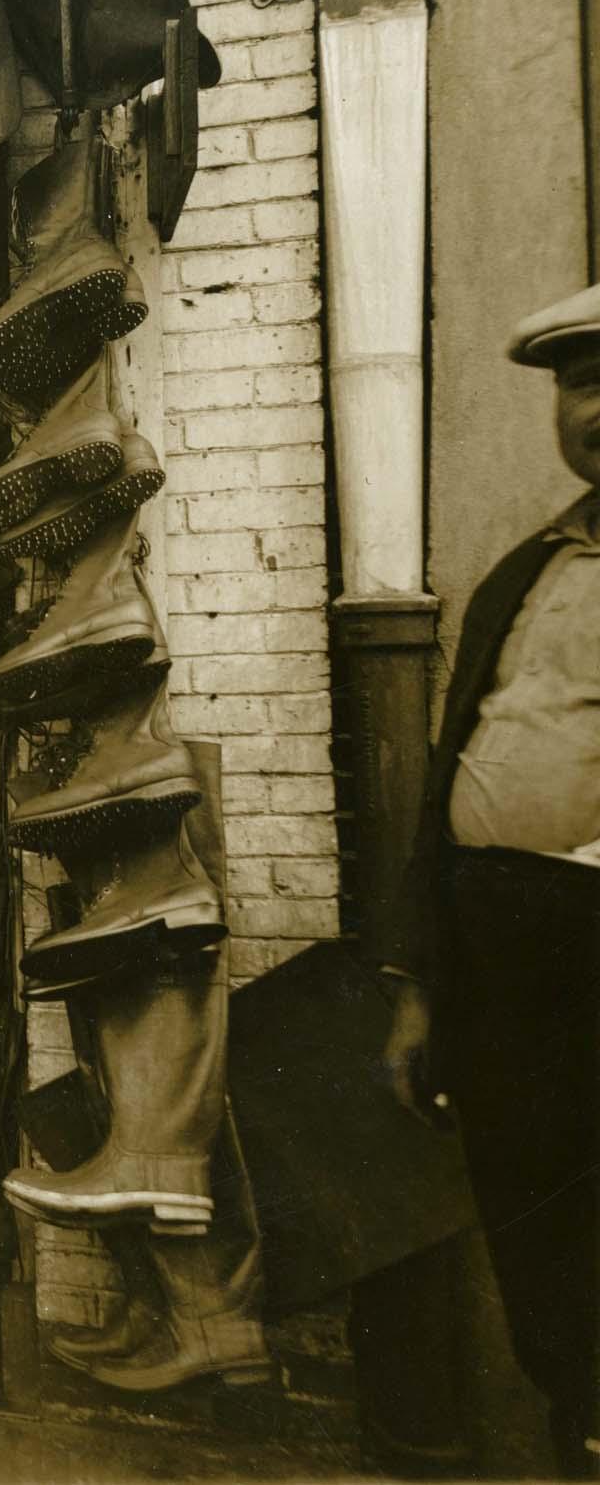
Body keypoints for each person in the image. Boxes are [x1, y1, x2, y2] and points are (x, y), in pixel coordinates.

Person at [377, 280, 600, 1479]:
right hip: (510, 970)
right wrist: (418, 988)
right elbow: (443, 785)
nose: (595, 405)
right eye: (578, 380)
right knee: (543, 1247)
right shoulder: (527, 569)